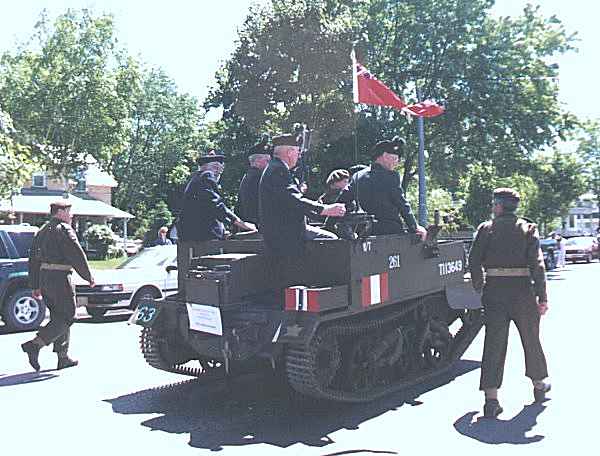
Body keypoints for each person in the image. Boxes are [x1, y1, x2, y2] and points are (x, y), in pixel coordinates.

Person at [468, 188, 551, 418]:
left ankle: (491, 398)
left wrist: (479, 286)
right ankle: (538, 383)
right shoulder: (528, 228)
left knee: (494, 343)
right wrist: (542, 296)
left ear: (498, 206)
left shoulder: (486, 229)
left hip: (494, 291)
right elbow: (538, 265)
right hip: (523, 292)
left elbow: (473, 260)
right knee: (531, 338)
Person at [21, 200, 95, 371]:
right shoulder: (64, 229)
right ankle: (35, 344)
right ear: (60, 212)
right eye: (69, 211)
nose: (71, 215)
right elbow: (76, 254)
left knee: (58, 316)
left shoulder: (42, 231)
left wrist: (35, 285)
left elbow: (33, 260)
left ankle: (63, 357)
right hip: (60, 278)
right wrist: (88, 276)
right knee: (69, 315)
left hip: (45, 278)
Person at [177, 151, 256, 294]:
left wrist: (223, 227)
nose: (218, 173)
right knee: (208, 278)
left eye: (220, 169)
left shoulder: (194, 179)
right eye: (215, 168)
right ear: (206, 167)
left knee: (188, 279)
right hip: (203, 239)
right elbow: (216, 205)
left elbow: (206, 208)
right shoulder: (206, 177)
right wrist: (240, 223)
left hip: (189, 237)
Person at [258, 133, 346, 257]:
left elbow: (292, 201)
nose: (298, 156)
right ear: (289, 152)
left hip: (282, 230)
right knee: (332, 240)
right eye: (298, 152)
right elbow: (294, 200)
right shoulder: (278, 170)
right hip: (284, 233)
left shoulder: (275, 168)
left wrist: (321, 213)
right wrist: (325, 209)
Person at [338, 137, 427, 240]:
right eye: (395, 158)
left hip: (364, 231)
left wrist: (329, 225)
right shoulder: (390, 176)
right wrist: (414, 226)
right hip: (390, 231)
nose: (397, 163)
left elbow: (342, 201)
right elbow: (401, 203)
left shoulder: (358, 176)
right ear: (385, 156)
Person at [236, 136, 272, 225]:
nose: (270, 164)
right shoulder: (260, 177)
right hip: (259, 228)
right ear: (257, 161)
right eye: (267, 160)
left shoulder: (249, 175)